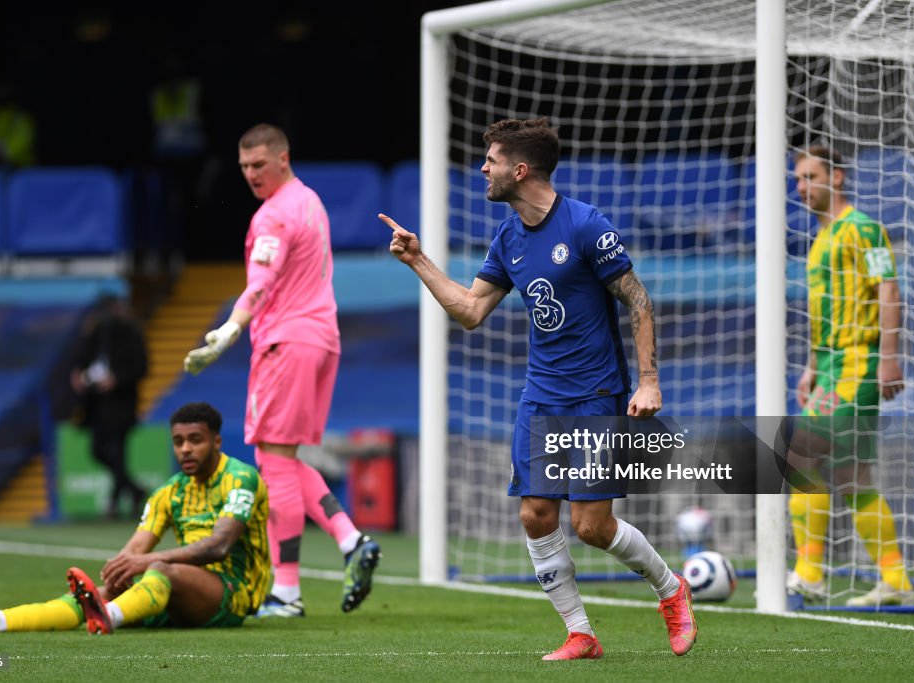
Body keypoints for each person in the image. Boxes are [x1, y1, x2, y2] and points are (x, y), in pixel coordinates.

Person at [380, 117, 696, 660]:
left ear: (519, 170)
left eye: (492, 160)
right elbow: (471, 310)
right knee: (535, 514)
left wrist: (648, 383)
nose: (483, 169)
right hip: (540, 397)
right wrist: (418, 261)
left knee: (592, 526)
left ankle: (672, 590)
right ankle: (581, 633)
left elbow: (639, 301)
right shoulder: (507, 237)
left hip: (596, 396)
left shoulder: (585, 225)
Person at [183, 123, 381, 618]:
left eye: (259, 165)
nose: (251, 175)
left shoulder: (273, 216)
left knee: (271, 462)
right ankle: (350, 539)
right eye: (244, 167)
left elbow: (262, 282)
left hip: (285, 341)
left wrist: (231, 328)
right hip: (320, 338)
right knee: (284, 459)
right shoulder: (310, 201)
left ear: (283, 158)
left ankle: (286, 592)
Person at [0, 402, 271, 634]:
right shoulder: (169, 492)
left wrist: (145, 562)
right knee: (102, 591)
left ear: (217, 441)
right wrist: (121, 569)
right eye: (178, 441)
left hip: (231, 594)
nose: (184, 449)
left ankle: (108, 616)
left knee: (157, 570)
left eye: (195, 441)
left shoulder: (240, 478)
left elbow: (220, 546)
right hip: (182, 591)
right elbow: (136, 547)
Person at [786, 145, 913, 608]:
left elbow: (888, 288)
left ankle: (810, 573)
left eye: (810, 176)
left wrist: (889, 356)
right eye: (798, 179)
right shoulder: (820, 241)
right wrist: (812, 368)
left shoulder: (864, 229)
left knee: (800, 457)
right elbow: (825, 316)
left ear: (836, 178)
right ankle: (895, 578)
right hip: (832, 367)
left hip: (860, 362)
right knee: (852, 475)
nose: (802, 186)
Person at [70, 294, 149, 518]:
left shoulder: (131, 334)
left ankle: (115, 502)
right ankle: (133, 490)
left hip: (121, 405)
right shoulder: (94, 333)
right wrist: (78, 374)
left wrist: (116, 379)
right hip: (96, 404)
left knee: (118, 452)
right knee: (98, 451)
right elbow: (80, 359)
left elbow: (141, 367)